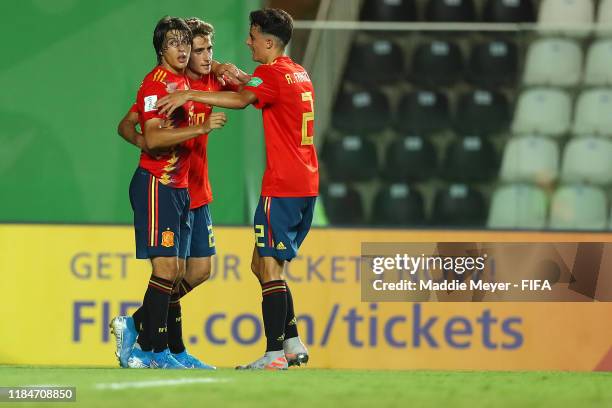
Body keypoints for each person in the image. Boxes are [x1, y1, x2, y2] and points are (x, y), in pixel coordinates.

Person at [157, 8, 317, 370]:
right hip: (306, 183)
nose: (248, 41)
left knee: (268, 266)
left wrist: (189, 96)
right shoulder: (296, 71)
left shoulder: (270, 73)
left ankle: (275, 353)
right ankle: (292, 341)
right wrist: (232, 72)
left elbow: (244, 98)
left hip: (283, 185)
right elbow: (257, 86)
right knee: (262, 263)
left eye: (253, 36)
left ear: (269, 41)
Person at [116, 17, 247, 369]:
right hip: (164, 184)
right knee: (168, 270)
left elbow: (246, 94)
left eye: (205, 48)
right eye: (190, 46)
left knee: (193, 271)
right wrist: (148, 139)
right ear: (164, 48)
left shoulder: (194, 81)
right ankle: (158, 348)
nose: (197, 53)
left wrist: (225, 68)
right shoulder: (162, 84)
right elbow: (134, 126)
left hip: (190, 187)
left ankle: (153, 336)